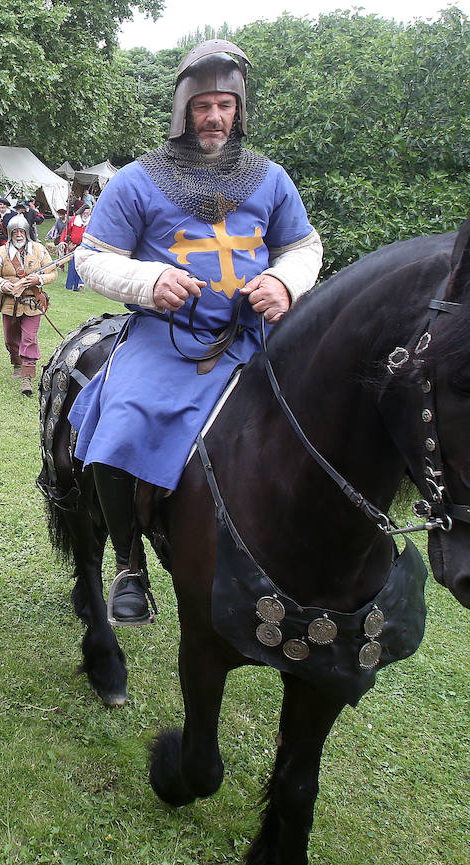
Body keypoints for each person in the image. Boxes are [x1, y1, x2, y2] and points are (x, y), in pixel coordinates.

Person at [67, 39, 324, 625]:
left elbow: (302, 246)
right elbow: (93, 258)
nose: (215, 117)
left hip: (254, 338)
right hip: (169, 338)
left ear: (239, 110)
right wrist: (150, 278)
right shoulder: (137, 180)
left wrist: (284, 283)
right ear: (184, 108)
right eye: (203, 105)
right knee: (121, 420)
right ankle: (130, 564)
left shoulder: (270, 178)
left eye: (225, 105)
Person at [0, 213, 57, 396]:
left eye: (22, 231)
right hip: (9, 302)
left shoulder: (39, 250)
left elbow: (53, 273)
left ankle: (27, 377)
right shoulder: (2, 252)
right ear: (10, 234)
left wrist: (39, 278)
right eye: (15, 232)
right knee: (11, 340)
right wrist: (3, 284)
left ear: (27, 232)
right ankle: (16, 363)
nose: (19, 235)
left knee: (29, 338)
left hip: (32, 303)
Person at [59, 204, 91, 290]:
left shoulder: (91, 222)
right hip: (73, 246)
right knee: (72, 265)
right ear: (82, 212)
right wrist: (62, 241)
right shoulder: (74, 220)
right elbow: (66, 231)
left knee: (83, 265)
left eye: (88, 213)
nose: (86, 214)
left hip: (85, 247)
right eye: (85, 212)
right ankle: (70, 284)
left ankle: (80, 283)